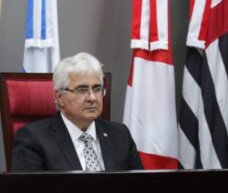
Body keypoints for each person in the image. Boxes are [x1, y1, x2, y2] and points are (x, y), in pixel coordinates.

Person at [11, 52, 143, 172]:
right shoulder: (33, 139)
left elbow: (141, 190)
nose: (92, 98)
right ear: (59, 97)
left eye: (97, 89)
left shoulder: (120, 135)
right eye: (82, 89)